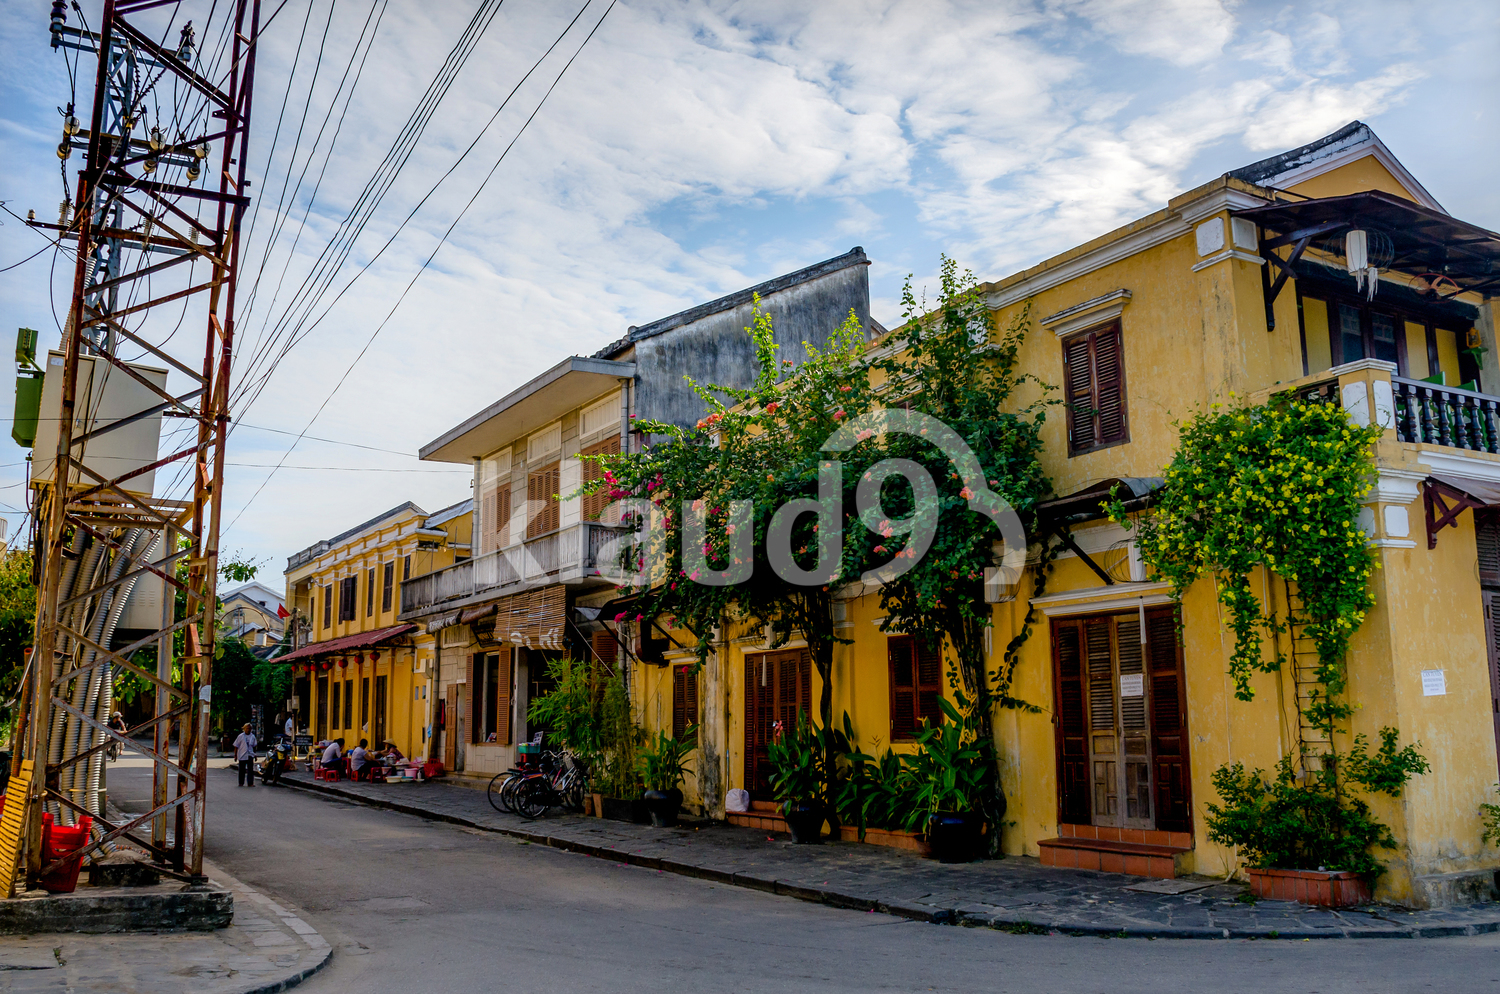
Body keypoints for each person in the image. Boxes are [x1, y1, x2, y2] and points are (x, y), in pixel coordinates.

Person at [233, 722, 258, 787]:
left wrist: (255, 755)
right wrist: (235, 755)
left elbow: (254, 746)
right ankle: (241, 782)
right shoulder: (240, 736)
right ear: (244, 729)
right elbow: (236, 746)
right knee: (242, 770)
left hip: (250, 754)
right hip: (242, 755)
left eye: (250, 728)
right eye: (247, 728)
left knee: (250, 770)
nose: (248, 730)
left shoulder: (252, 736)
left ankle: (250, 783)